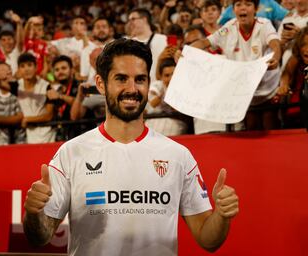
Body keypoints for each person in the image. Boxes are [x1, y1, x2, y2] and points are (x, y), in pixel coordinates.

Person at [23, 38, 239, 255]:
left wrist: (221, 215)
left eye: (140, 79)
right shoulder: (70, 153)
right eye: (121, 78)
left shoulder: (178, 156)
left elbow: (208, 239)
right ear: (100, 83)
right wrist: (34, 212)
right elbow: (40, 236)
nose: (132, 89)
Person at [192, 0, 282, 130]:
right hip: (245, 94)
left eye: (248, 4)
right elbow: (205, 42)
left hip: (268, 91)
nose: (243, 8)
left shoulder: (264, 24)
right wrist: (185, 52)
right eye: (238, 5)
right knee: (251, 129)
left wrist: (276, 58)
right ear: (233, 10)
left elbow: (275, 43)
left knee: (270, 128)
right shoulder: (228, 28)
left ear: (256, 9)